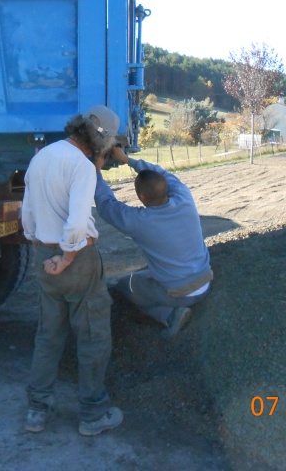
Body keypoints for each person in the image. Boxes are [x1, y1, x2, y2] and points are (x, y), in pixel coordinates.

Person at [21, 105, 124, 437]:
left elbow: (27, 214)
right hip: (75, 260)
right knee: (93, 336)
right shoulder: (82, 167)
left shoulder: (42, 157)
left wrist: (42, 250)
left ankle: (37, 411)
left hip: (44, 256)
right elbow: (78, 222)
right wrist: (66, 258)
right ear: (101, 140)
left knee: (48, 335)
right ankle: (93, 415)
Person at [94, 146, 213, 337]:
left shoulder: (139, 221)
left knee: (127, 284)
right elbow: (162, 173)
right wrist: (128, 160)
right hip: (205, 280)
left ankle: (169, 315)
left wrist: (96, 172)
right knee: (149, 273)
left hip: (178, 293)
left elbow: (107, 205)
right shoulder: (184, 198)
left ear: (142, 197)